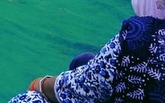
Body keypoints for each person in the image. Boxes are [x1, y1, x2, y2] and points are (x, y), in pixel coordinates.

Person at [9, 16, 165, 102]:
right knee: (85, 61)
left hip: (95, 85)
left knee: (27, 99)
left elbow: (82, 87)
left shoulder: (140, 37)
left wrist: (40, 84)